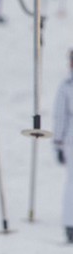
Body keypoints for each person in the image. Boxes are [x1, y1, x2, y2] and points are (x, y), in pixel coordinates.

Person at [52, 50, 73, 243]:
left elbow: (60, 116)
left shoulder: (67, 85)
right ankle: (70, 224)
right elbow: (60, 116)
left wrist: (58, 142)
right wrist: (58, 142)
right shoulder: (67, 85)